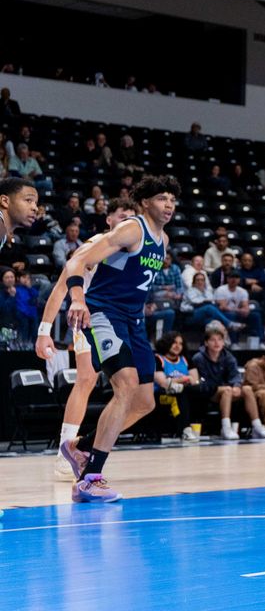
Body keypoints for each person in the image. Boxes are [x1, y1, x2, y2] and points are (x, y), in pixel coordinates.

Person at [52, 175, 177, 502]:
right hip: (104, 314)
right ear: (146, 201)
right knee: (124, 386)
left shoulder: (162, 240)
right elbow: (78, 260)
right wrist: (78, 299)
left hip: (134, 322)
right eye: (163, 198)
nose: (169, 205)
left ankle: (80, 446)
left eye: (173, 200)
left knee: (145, 401)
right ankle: (91, 477)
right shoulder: (130, 229)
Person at [37, 198, 140, 480]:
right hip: (89, 317)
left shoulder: (132, 250)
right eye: (122, 216)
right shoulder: (95, 245)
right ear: (109, 219)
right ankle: (65, 451)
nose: (128, 221)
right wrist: (44, 331)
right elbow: (60, 288)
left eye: (133, 217)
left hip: (119, 321)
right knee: (87, 380)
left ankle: (83, 447)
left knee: (140, 398)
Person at [192, 325, 265, 440]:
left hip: (227, 390)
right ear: (206, 343)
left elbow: (235, 375)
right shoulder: (198, 358)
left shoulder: (228, 356)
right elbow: (203, 381)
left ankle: (257, 426)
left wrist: (236, 386)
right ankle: (226, 428)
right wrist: (227, 387)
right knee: (227, 390)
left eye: (220, 340)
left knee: (247, 389)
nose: (217, 343)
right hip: (208, 391)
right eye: (213, 340)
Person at [153, 331, 200, 441]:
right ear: (166, 343)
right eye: (174, 342)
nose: (178, 346)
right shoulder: (158, 359)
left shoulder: (186, 359)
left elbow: (194, 380)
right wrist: (183, 379)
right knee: (180, 393)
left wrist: (176, 381)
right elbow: (163, 383)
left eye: (180, 343)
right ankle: (185, 430)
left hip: (182, 391)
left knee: (197, 391)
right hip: (160, 396)